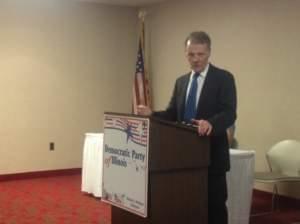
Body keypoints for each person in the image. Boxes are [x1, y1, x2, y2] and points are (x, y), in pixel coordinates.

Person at [137, 31, 237, 224]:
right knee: (188, 204)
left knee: (215, 207)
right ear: (186, 54)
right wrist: (152, 114)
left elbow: (229, 113)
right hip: (183, 158)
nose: (196, 59)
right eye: (191, 54)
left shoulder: (224, 78)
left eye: (200, 54)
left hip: (211, 156)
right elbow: (173, 113)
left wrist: (211, 123)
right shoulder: (181, 82)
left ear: (209, 53)